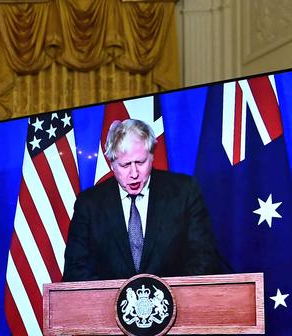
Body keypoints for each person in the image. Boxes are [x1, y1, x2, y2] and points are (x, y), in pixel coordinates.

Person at [63, 118, 226, 282]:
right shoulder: (89, 204)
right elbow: (75, 270)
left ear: (152, 156)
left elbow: (204, 259)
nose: (134, 174)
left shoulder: (184, 192)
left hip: (175, 304)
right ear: (112, 163)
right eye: (125, 165)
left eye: (140, 162)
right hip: (108, 306)